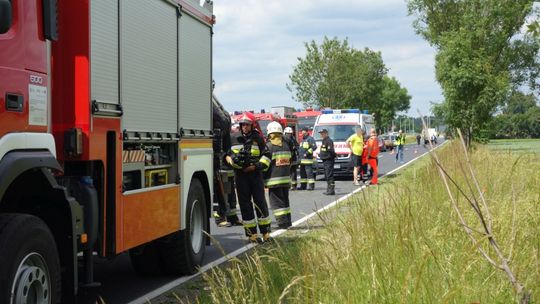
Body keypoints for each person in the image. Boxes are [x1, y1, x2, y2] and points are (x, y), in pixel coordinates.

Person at [225, 113, 272, 243]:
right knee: (245, 205)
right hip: (240, 176)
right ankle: (252, 235)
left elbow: (267, 155)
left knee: (260, 203)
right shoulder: (233, 138)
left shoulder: (258, 138)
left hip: (255, 175)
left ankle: (266, 233)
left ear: (252, 125)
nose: (245, 127)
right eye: (243, 124)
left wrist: (256, 166)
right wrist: (233, 161)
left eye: (247, 125)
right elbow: (226, 155)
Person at [264, 122, 293, 229]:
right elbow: (290, 161)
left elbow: (264, 165)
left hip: (273, 181)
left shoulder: (269, 147)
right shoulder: (286, 146)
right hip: (285, 180)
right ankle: (288, 222)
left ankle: (282, 223)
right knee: (285, 202)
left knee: (277, 204)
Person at [318, 129, 336, 195]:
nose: (321, 135)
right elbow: (324, 150)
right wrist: (321, 154)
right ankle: (328, 189)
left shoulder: (329, 141)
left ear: (326, 133)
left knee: (329, 175)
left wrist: (333, 156)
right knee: (326, 175)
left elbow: (331, 151)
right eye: (321, 134)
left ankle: (331, 190)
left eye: (322, 133)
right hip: (325, 160)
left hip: (329, 160)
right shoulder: (324, 141)